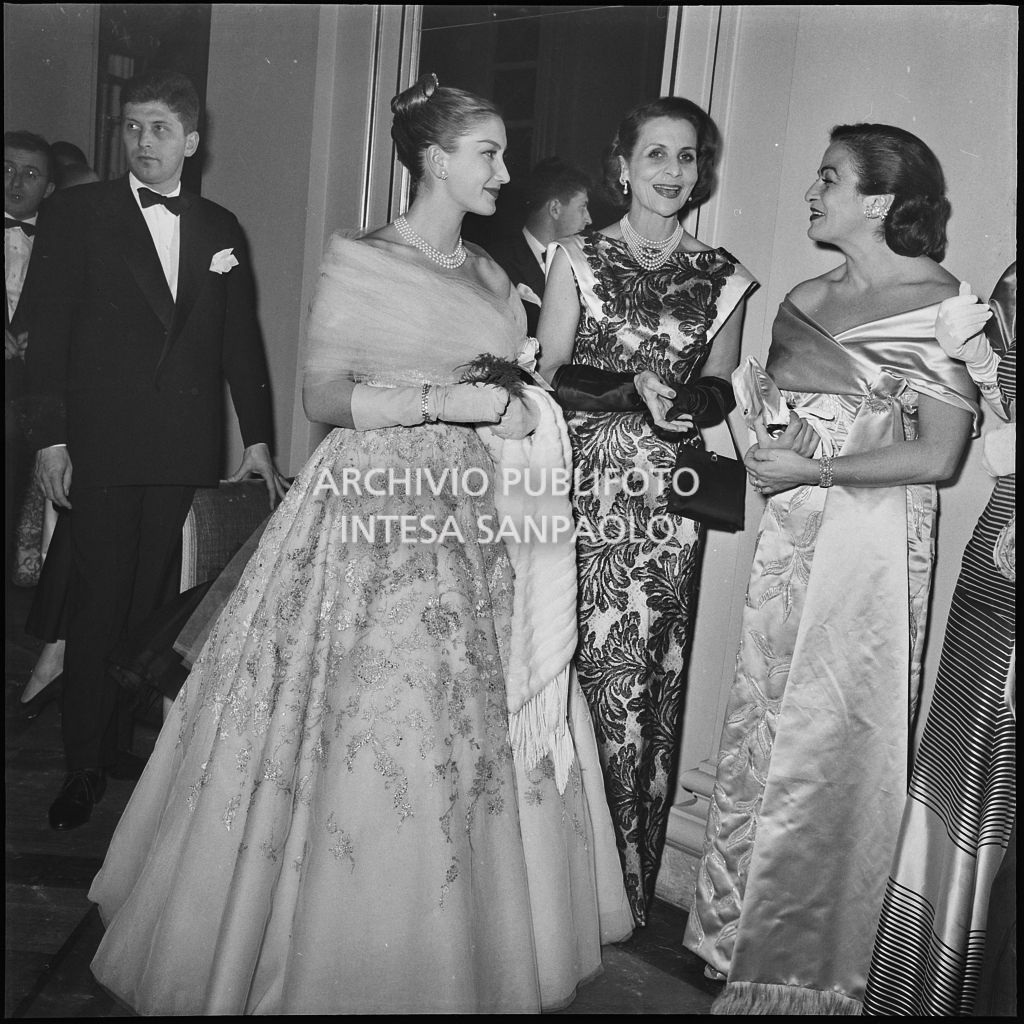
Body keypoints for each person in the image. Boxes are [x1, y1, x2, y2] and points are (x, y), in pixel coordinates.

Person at [87, 72, 632, 1015]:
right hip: (372, 501)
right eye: (488, 154)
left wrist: (546, 400)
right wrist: (446, 402)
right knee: (364, 711)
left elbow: (526, 379)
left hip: (473, 511)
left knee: (473, 718)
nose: (504, 173)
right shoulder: (363, 256)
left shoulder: (494, 271)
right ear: (435, 160)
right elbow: (323, 396)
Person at [683, 123, 979, 1013]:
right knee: (765, 722)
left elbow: (938, 456)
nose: (812, 193)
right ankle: (737, 938)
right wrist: (762, 438)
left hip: (872, 549)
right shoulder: (804, 299)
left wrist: (819, 469)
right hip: (792, 536)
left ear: (879, 200)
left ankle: (810, 960)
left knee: (835, 735)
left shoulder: (943, 306)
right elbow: (777, 416)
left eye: (829, 178)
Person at [25, 69, 287, 832]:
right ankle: (81, 764)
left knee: (147, 606)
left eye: (161, 129)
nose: (144, 142)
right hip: (100, 446)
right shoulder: (77, 213)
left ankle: (114, 746)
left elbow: (241, 342)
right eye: (133, 127)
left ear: (191, 142)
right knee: (100, 601)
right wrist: (51, 438)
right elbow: (46, 338)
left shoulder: (219, 226)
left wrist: (258, 438)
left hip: (180, 448)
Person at [538, 95, 756, 928]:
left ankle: (621, 888)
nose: (673, 170)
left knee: (646, 679)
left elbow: (720, 385)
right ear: (623, 167)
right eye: (656, 154)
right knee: (571, 665)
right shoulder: (577, 257)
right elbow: (552, 373)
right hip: (585, 487)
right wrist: (632, 390)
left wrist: (687, 403)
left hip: (670, 501)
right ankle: (555, 886)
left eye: (688, 156)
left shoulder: (724, 275)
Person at [864, 263, 1016, 1016]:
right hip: (1001, 564)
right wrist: (985, 370)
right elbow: (1003, 418)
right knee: (966, 776)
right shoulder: (1016, 286)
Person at [6, 131, 55, 579]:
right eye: (6, 169)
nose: (15, 181)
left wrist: (42, 338)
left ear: (49, 187)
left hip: (32, 389)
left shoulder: (62, 244)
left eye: (30, 173)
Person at [487, 156, 592, 335]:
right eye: (583, 207)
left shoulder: (584, 262)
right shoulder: (495, 262)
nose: (589, 219)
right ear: (555, 209)